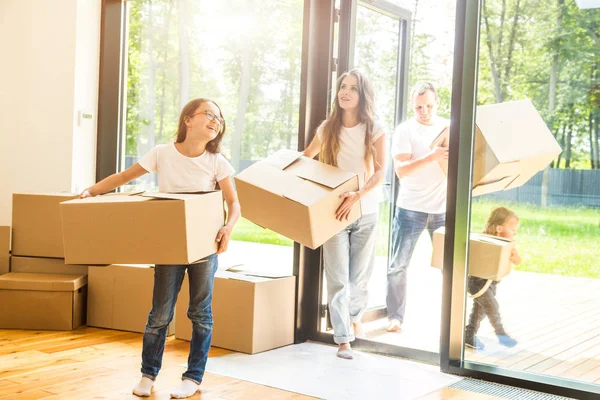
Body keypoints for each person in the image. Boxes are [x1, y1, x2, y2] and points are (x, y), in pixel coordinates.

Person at [81, 98, 241, 398]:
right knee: (159, 314)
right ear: (188, 120)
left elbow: (234, 203)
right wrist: (91, 190)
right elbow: (124, 177)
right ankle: (148, 374)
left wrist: (227, 229)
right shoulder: (163, 154)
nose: (215, 121)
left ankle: (193, 377)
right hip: (169, 246)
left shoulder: (217, 162)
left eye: (219, 118)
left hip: (204, 247)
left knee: (200, 313)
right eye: (209, 114)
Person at [304, 69, 387, 360]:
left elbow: (380, 172)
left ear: (362, 95)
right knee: (338, 277)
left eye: (352, 88)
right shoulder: (327, 128)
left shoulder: (374, 128)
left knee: (360, 277)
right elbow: (306, 159)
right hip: (334, 212)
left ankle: (355, 319)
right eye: (342, 86)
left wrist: (358, 196)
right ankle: (343, 339)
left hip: (366, 209)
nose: (345, 92)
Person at [386, 82, 449, 332]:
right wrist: (431, 157)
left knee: (452, 267)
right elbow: (401, 170)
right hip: (410, 210)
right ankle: (395, 317)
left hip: (443, 210)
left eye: (429, 106)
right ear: (413, 105)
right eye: (419, 107)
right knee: (398, 265)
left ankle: (452, 321)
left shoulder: (448, 128)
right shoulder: (404, 130)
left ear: (437, 104)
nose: (424, 111)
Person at [464, 206, 520, 350]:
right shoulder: (485, 242)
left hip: (491, 283)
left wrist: (515, 256)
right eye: (513, 230)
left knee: (479, 311)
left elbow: (517, 261)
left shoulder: (507, 247)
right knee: (492, 307)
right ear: (499, 229)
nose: (515, 233)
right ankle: (501, 334)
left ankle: (469, 335)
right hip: (477, 282)